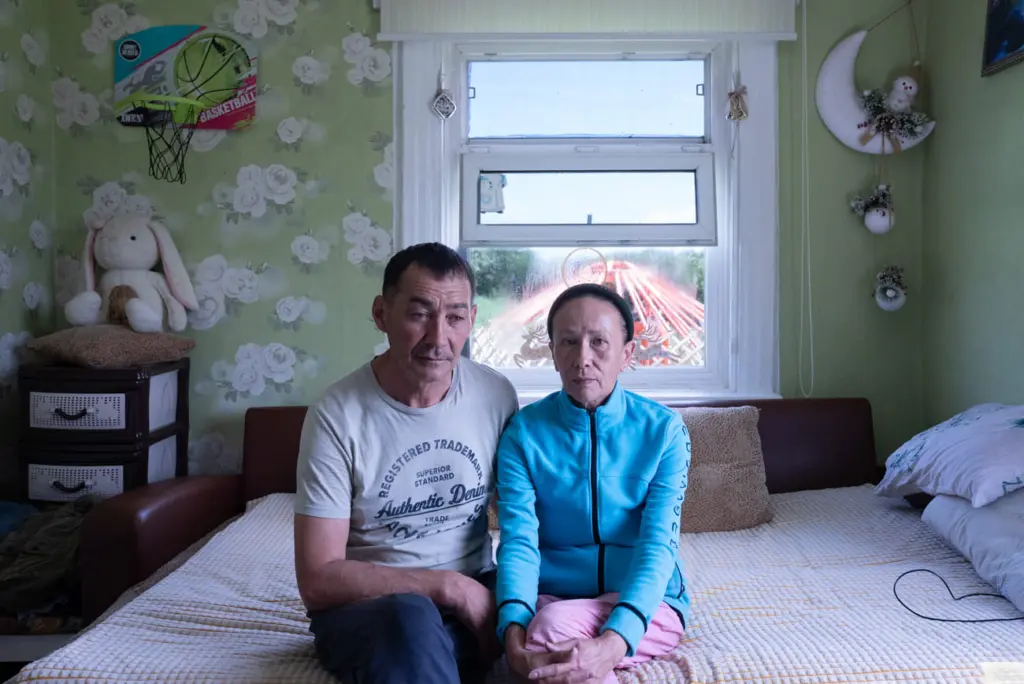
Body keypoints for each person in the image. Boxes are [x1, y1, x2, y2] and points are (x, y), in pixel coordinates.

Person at [293, 242, 519, 684]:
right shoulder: (336, 415)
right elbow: (318, 579)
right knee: (412, 620)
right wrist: (448, 587)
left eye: (455, 318)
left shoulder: (495, 395)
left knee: (550, 608)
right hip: (375, 608)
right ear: (382, 314)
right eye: (419, 314)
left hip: (478, 587)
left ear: (472, 319)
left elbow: (522, 517)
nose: (438, 338)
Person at [495, 283, 691, 684]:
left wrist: (615, 641)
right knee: (547, 630)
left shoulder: (665, 431)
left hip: (647, 603)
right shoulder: (523, 434)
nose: (582, 359)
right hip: (552, 598)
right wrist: (512, 631)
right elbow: (518, 542)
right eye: (568, 342)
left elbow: (658, 546)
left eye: (599, 342)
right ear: (552, 351)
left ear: (627, 354)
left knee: (550, 634)